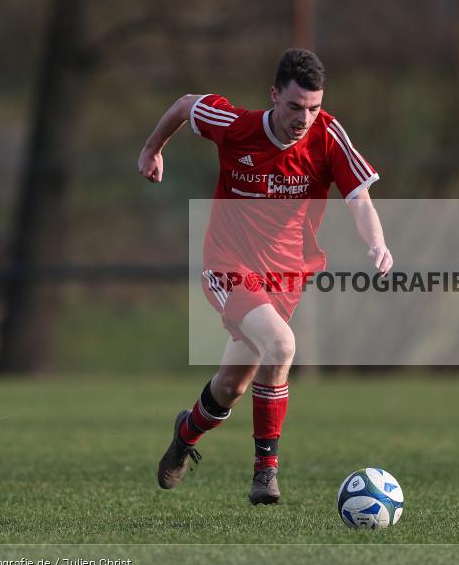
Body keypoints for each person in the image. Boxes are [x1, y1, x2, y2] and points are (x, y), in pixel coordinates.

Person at [137, 48, 393, 504]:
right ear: (274, 95)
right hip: (228, 266)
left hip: (284, 280)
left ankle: (185, 434)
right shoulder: (235, 126)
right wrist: (152, 148)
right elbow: (184, 105)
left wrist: (377, 242)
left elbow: (358, 197)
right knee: (282, 345)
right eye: (295, 106)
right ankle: (265, 473)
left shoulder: (328, 135)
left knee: (230, 387)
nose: (304, 119)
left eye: (313, 108)